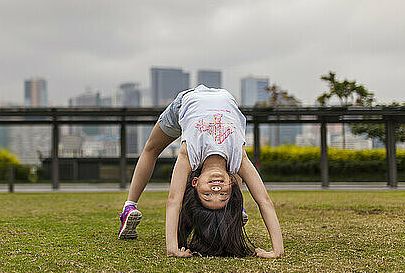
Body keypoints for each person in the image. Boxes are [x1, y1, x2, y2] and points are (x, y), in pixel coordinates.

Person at [118, 84, 284, 259]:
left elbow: (174, 200)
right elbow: (264, 201)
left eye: (207, 196)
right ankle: (236, 208)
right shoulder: (239, 159)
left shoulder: (188, 154)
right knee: (233, 167)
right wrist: (277, 250)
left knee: (151, 150)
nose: (216, 191)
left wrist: (172, 247)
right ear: (231, 183)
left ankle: (130, 206)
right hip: (226, 99)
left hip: (189, 102)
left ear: (195, 182)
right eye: (223, 196)